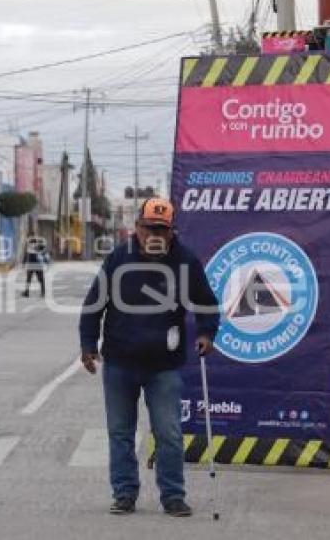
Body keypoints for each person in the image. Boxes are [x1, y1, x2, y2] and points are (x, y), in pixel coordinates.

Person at [78, 197, 219, 517]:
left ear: (172, 232)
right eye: (148, 228)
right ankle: (124, 494)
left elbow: (207, 304)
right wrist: (88, 345)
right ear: (137, 228)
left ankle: (172, 496)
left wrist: (207, 334)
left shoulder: (185, 261)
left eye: (162, 229)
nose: (154, 234)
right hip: (119, 363)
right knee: (120, 433)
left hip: (163, 366)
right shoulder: (117, 259)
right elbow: (93, 305)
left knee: (168, 433)